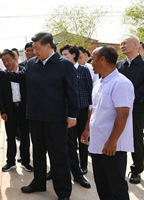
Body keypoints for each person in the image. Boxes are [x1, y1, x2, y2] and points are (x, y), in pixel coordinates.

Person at [0, 32, 79, 200]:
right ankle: (39, 182)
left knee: (58, 156)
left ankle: (63, 192)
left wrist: (72, 115)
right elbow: (20, 76)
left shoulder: (64, 65)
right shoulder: (31, 64)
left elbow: (73, 92)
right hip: (35, 117)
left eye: (37, 48)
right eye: (33, 48)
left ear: (48, 46)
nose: (33, 51)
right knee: (38, 152)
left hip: (56, 119)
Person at [81, 45, 134, 200]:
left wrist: (112, 141)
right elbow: (94, 110)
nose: (91, 62)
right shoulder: (99, 83)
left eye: (93, 58)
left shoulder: (120, 83)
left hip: (113, 146)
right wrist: (86, 130)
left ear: (102, 59)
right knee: (102, 185)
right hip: (98, 143)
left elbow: (123, 114)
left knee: (116, 187)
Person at [46, 44, 91, 189]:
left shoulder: (83, 71)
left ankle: (79, 173)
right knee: (63, 144)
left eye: (65, 54)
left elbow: (89, 91)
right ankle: (55, 170)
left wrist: (89, 112)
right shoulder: (57, 70)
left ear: (74, 55)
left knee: (80, 142)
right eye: (61, 54)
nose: (62, 57)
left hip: (81, 111)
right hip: (63, 113)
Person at [116, 35, 144, 184]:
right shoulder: (119, 65)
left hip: (138, 107)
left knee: (136, 138)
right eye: (121, 44)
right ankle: (118, 169)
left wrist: (131, 97)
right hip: (119, 108)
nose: (122, 46)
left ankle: (136, 170)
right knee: (118, 135)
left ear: (136, 45)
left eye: (125, 43)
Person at [0, 49, 33, 172]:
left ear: (14, 58)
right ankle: (10, 162)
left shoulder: (24, 71)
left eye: (8, 60)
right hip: (10, 110)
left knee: (25, 136)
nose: (6, 63)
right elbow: (0, 95)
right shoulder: (3, 76)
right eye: (4, 61)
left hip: (23, 109)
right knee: (10, 137)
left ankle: (25, 161)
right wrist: (3, 111)